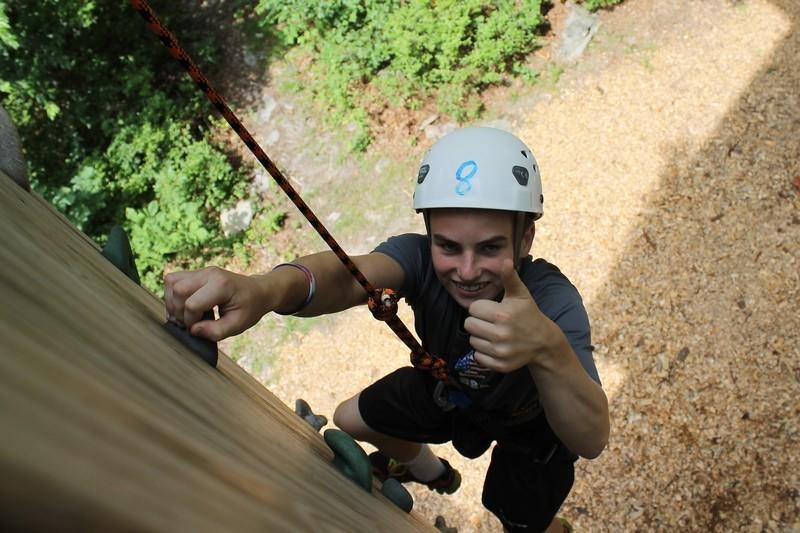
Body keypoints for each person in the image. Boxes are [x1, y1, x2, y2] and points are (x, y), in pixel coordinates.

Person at [165, 127, 609, 532]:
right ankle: (433, 473)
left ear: (525, 239)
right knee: (352, 418)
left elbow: (591, 438)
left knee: (518, 517)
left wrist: (548, 349)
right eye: (448, 246)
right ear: (428, 235)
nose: (467, 271)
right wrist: (267, 289)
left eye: (490, 248)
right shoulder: (416, 259)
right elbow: (351, 275)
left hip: (531, 424)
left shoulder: (552, 301)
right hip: (452, 392)